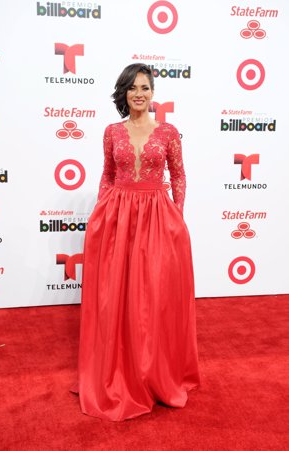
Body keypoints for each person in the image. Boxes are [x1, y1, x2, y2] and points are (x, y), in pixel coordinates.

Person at [71, 63, 200, 421]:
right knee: (118, 295)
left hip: (158, 217)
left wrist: (178, 215)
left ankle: (152, 372)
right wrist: (100, 215)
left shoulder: (169, 132)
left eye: (144, 87)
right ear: (124, 94)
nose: (139, 93)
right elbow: (108, 176)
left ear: (153, 92)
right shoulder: (112, 131)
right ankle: (119, 370)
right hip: (118, 216)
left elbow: (179, 174)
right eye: (132, 88)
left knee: (153, 297)